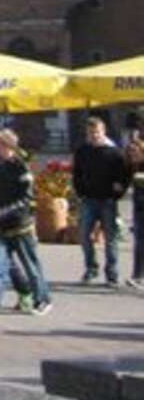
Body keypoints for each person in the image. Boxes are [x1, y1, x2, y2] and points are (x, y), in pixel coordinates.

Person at [0, 129, 50, 316]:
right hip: (0, 227)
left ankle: (42, 299)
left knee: (30, 266)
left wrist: (5, 211)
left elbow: (27, 198)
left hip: (20, 225)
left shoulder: (21, 167)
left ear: (6, 146)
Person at [73, 113, 129, 286]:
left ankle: (111, 273)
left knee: (110, 238)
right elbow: (77, 174)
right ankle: (91, 268)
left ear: (103, 131)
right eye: (91, 133)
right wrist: (80, 192)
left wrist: (117, 193)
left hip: (108, 201)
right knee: (83, 236)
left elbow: (123, 176)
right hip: (88, 199)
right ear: (87, 134)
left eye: (97, 132)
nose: (94, 136)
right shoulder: (82, 151)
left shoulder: (114, 153)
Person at [124, 112, 144, 289]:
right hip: (139, 204)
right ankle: (138, 275)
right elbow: (129, 174)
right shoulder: (133, 161)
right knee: (139, 241)